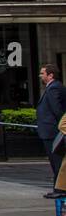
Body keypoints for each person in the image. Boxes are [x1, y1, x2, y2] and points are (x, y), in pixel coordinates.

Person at [37, 65, 66, 197]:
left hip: (52, 131)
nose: (40, 75)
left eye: (42, 73)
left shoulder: (54, 88)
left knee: (57, 161)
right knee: (56, 161)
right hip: (49, 130)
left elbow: (57, 110)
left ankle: (60, 189)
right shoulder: (52, 87)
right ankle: (58, 189)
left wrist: (61, 128)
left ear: (51, 75)